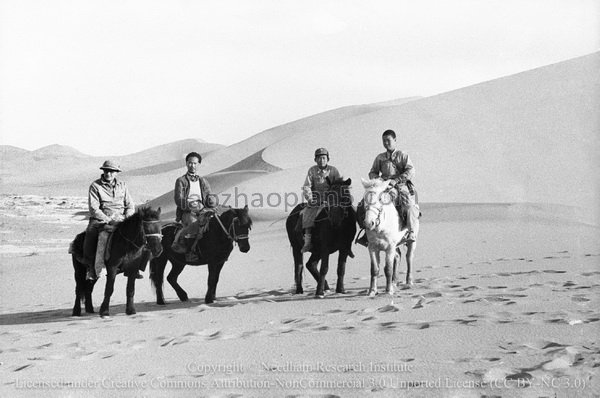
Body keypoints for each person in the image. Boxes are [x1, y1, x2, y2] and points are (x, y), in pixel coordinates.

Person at [82, 160, 136, 280]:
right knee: (91, 235)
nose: (108, 173)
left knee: (143, 235)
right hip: (101, 219)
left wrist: (127, 218)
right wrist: (108, 220)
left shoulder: (123, 185)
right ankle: (92, 268)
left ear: (116, 172)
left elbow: (130, 205)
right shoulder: (95, 186)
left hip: (122, 218)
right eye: (106, 170)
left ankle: (134, 267)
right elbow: (94, 209)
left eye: (111, 171)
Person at [364, 129, 419, 243]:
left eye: (388, 140)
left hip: (401, 185)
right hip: (383, 186)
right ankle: (368, 232)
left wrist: (397, 180)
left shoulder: (403, 155)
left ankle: (411, 231)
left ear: (395, 140)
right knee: (367, 203)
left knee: (409, 205)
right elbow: (372, 172)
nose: (386, 143)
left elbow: (411, 170)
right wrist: (379, 180)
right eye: (384, 141)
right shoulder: (380, 157)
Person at [171, 152, 216, 258]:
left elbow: (209, 195)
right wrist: (190, 206)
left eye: (195, 163)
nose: (192, 165)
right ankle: (190, 252)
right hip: (187, 211)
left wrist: (212, 201)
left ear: (199, 164)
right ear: (186, 164)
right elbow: (178, 199)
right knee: (194, 225)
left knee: (215, 223)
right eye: (190, 163)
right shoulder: (181, 181)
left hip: (203, 210)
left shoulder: (203, 181)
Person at [300, 148, 343, 253]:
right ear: (315, 159)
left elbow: (339, 185)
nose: (321, 160)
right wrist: (310, 199)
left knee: (347, 212)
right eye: (319, 158)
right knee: (307, 214)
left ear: (328, 159)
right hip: (316, 200)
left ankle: (346, 242)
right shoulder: (312, 170)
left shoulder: (333, 170)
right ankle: (308, 241)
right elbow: (307, 186)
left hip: (332, 199)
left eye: (323, 158)